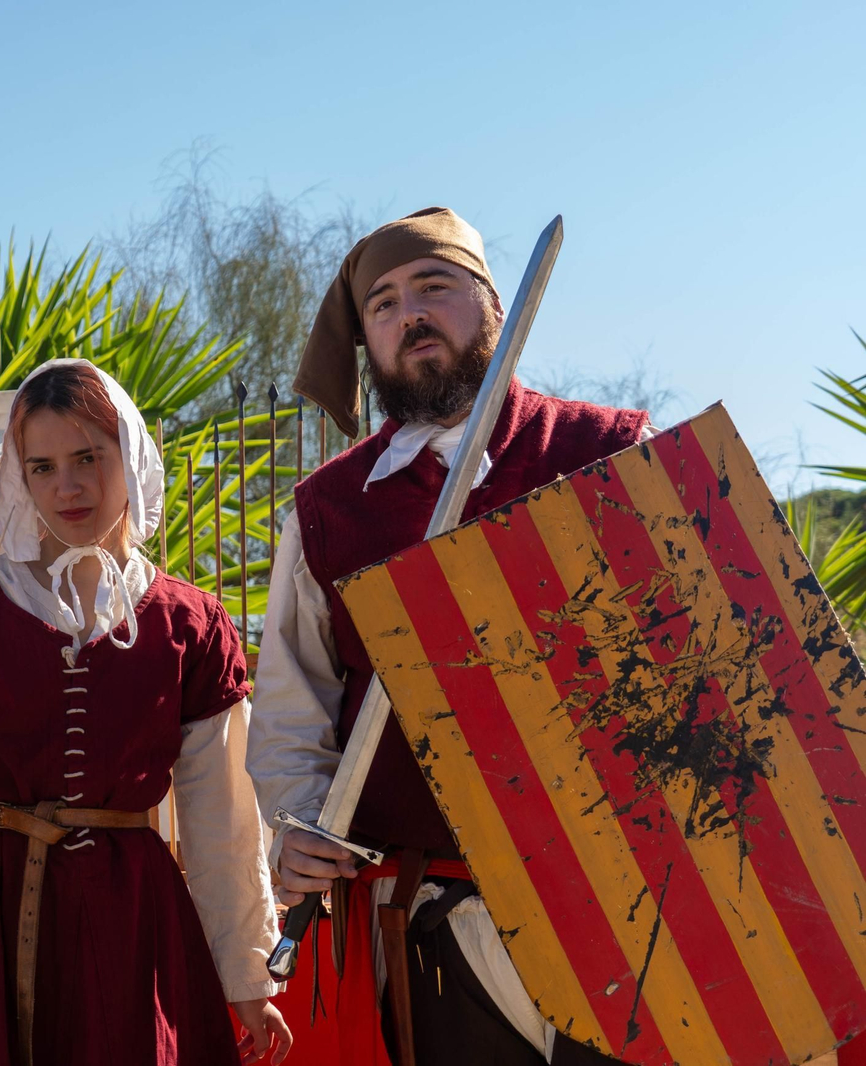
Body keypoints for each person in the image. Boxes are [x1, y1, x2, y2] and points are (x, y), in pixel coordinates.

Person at [247, 208, 650, 1066]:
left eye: (436, 287)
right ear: (366, 342)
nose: (411, 314)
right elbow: (292, 705)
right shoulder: (328, 511)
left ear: (493, 308)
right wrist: (294, 828)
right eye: (384, 303)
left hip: (622, 909)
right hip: (432, 922)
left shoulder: (608, 453)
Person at [0, 359, 292, 1066]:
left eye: (88, 458)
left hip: (132, 912)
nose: (66, 486)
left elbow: (223, 818)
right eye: (42, 466)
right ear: (19, 476)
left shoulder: (191, 622)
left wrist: (247, 976)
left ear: (129, 458)